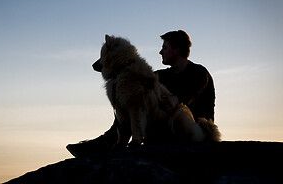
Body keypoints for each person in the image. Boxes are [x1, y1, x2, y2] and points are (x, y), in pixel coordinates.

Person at [66, 30, 215, 157]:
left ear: (176, 50)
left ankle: (109, 141)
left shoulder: (199, 72)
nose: (160, 51)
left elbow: (194, 90)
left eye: (165, 47)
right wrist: (111, 66)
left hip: (190, 129)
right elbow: (138, 89)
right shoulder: (161, 75)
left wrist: (177, 99)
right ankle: (106, 140)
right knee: (128, 103)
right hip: (161, 129)